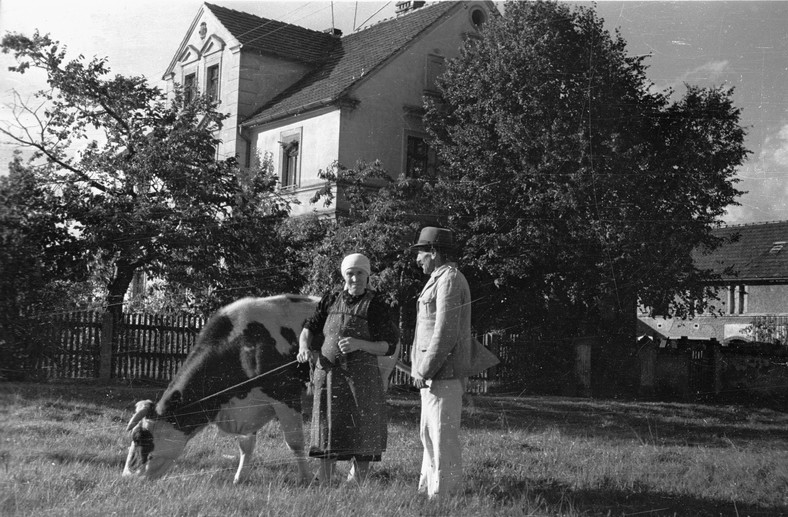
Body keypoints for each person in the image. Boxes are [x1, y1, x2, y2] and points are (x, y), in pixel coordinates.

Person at [297, 253, 399, 485]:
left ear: (367, 275)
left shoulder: (376, 305)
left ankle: (358, 482)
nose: (355, 279)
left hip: (361, 379)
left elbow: (388, 346)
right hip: (329, 375)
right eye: (350, 274)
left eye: (360, 273)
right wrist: (303, 346)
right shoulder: (331, 298)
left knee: (362, 426)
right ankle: (325, 479)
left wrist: (359, 344)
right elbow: (309, 327)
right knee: (327, 426)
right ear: (344, 276)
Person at [410, 226, 496, 500]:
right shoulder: (439, 278)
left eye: (421, 253)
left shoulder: (449, 280)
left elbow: (445, 333)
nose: (417, 259)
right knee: (429, 435)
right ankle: (429, 491)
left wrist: (424, 369)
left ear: (434, 252)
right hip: (435, 375)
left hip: (442, 375)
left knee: (442, 438)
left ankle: (445, 496)